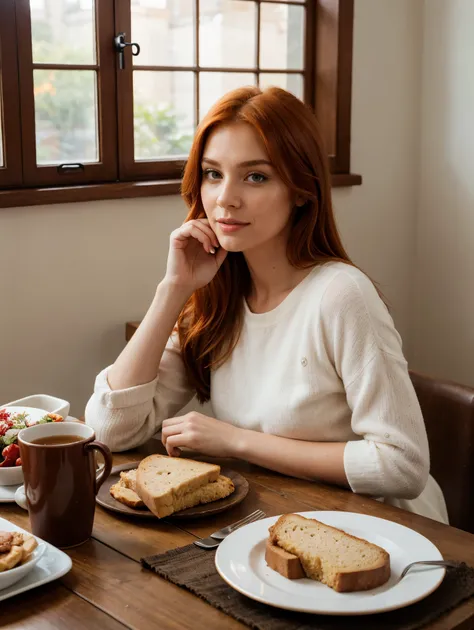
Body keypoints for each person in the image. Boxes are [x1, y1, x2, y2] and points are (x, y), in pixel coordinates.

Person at [85, 86, 448, 524]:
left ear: (300, 190)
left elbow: (403, 465)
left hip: (388, 530)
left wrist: (237, 442)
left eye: (256, 176)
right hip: (279, 516)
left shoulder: (341, 295)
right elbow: (111, 431)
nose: (225, 198)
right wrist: (173, 289)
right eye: (213, 174)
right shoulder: (216, 295)